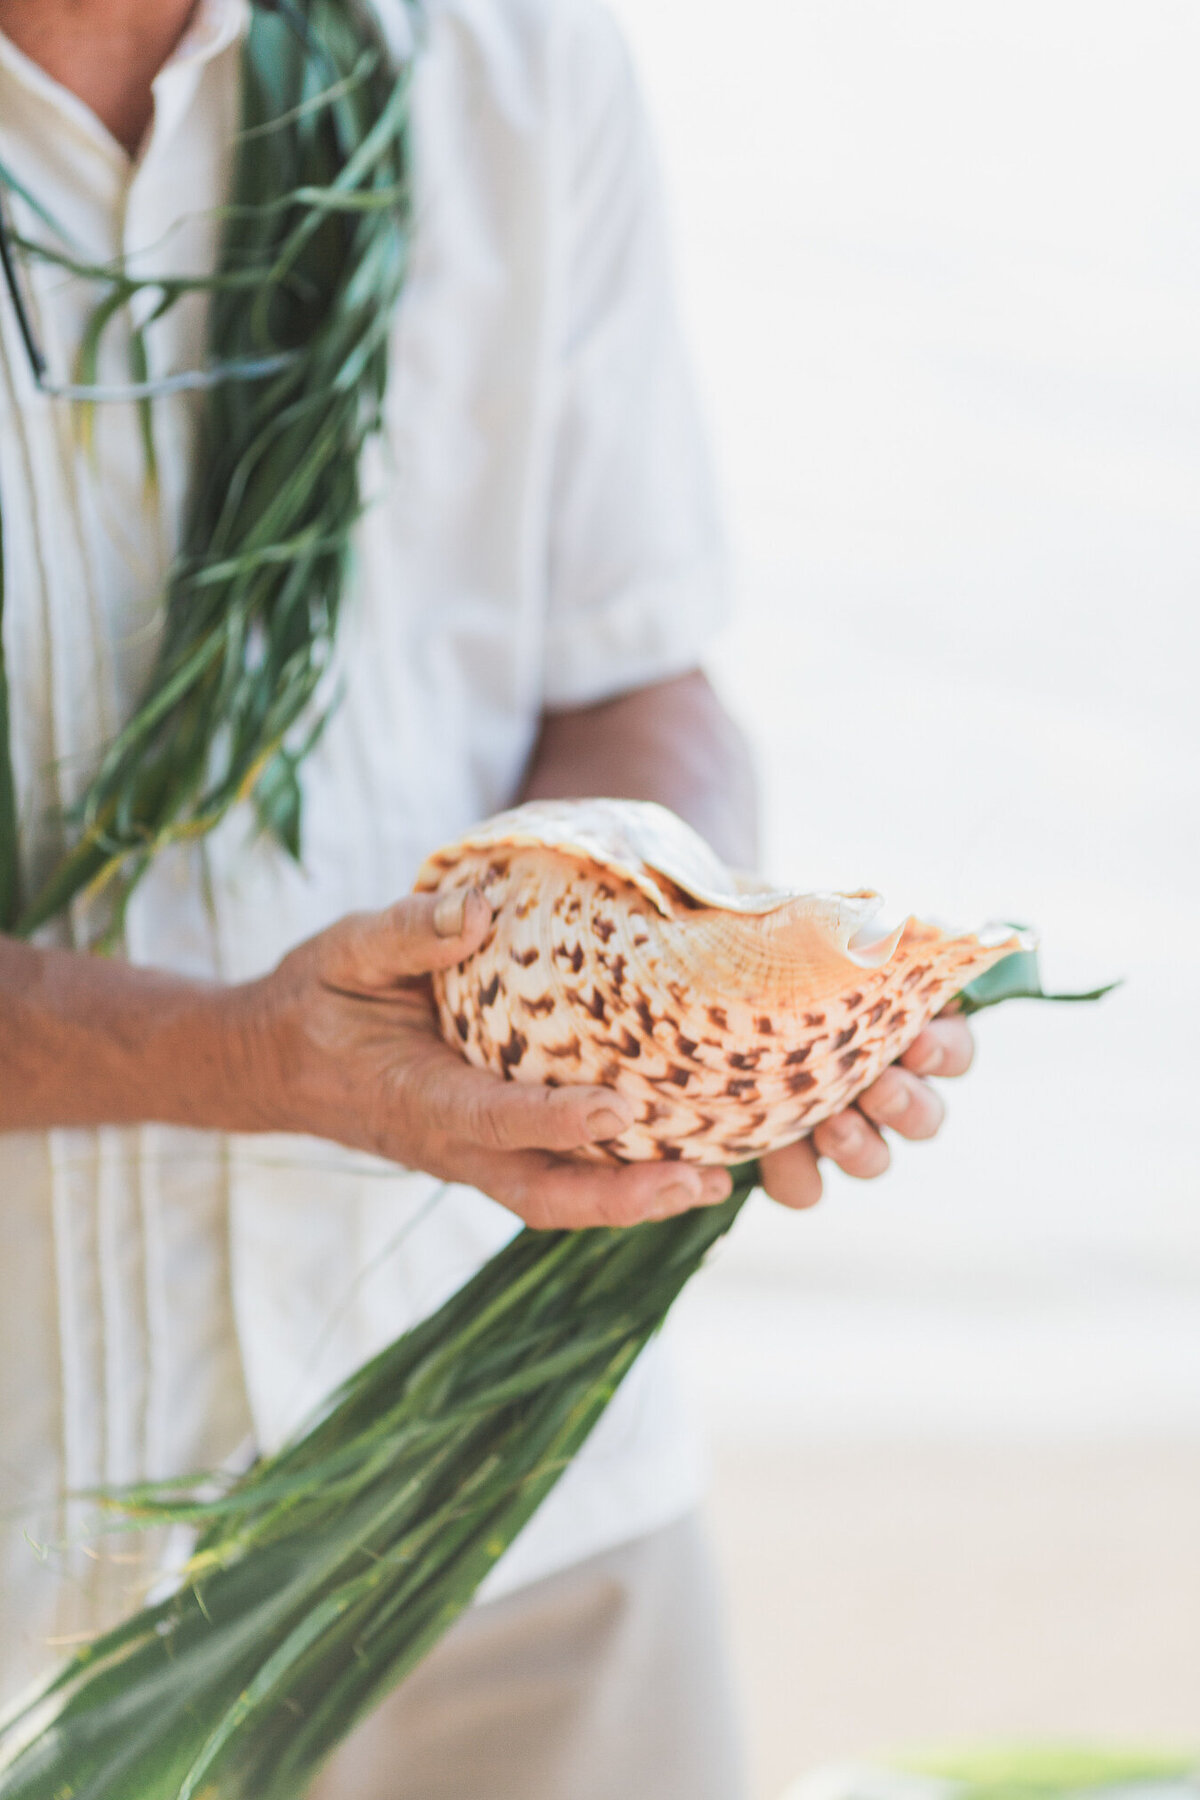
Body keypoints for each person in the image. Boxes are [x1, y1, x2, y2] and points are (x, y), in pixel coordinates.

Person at [0, 2, 975, 1795]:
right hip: (31, 1607)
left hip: (527, 1509)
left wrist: (674, 959)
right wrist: (239, 1056)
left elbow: (637, 679)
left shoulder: (512, 56)